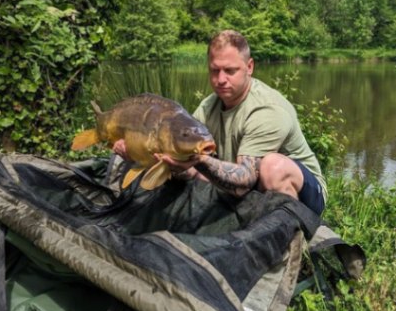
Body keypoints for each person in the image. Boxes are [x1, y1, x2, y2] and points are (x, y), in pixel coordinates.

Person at [115, 30, 326, 215]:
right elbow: (191, 164)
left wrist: (198, 161)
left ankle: (293, 242)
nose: (221, 79)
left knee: (273, 167)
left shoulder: (267, 109)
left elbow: (244, 181)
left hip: (304, 193)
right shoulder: (208, 107)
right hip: (247, 187)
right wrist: (142, 154)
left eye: (230, 70)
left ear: (249, 67)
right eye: (215, 70)